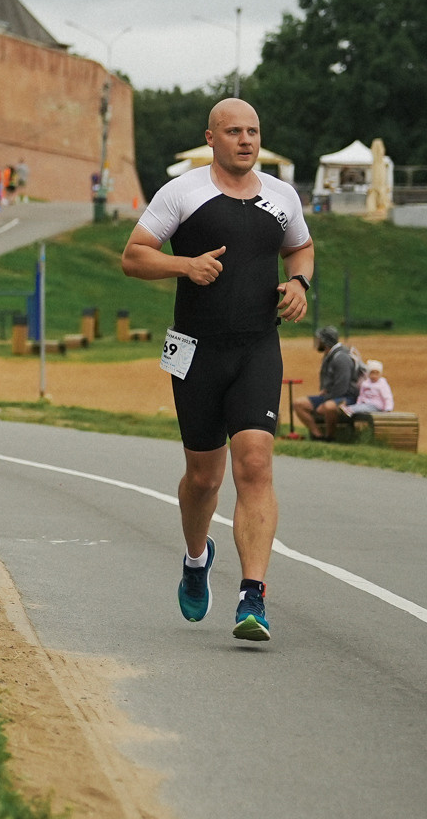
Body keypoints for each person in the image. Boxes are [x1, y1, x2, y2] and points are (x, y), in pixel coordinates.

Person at [123, 96, 314, 643]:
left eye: (253, 131)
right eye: (234, 131)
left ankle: (252, 595)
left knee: (254, 462)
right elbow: (134, 255)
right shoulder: (182, 192)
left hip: (258, 348)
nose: (246, 140)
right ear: (212, 138)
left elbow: (301, 249)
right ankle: (194, 556)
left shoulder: (281, 197)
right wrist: (185, 265)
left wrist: (298, 283)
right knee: (204, 478)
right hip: (196, 351)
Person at [292, 325, 363, 438]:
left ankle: (330, 437)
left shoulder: (341, 358)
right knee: (299, 404)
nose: (318, 342)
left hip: (347, 397)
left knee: (328, 407)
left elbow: (342, 387)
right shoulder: (329, 355)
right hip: (332, 395)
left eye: (319, 339)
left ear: (325, 341)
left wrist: (327, 400)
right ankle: (318, 436)